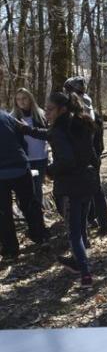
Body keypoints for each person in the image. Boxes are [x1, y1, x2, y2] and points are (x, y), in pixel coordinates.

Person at [20, 92, 99, 288]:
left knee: (73, 233)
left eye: (49, 109)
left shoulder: (62, 129)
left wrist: (49, 171)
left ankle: (86, 275)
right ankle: (77, 261)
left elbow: (66, 159)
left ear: (62, 109)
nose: (46, 113)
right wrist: (27, 130)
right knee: (80, 228)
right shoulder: (79, 122)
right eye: (45, 109)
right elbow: (92, 156)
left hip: (72, 186)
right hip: (87, 182)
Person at [63, 77, 107, 235]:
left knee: (93, 191)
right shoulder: (90, 109)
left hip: (86, 157)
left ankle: (101, 225)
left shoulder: (77, 111)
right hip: (93, 155)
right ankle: (97, 221)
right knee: (94, 190)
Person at [0, 108, 47, 263]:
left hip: (6, 170)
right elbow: (22, 140)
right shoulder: (7, 116)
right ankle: (40, 237)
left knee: (4, 212)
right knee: (29, 204)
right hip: (21, 165)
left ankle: (10, 249)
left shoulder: (7, 116)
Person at [12, 88, 49, 207]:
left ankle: (38, 215)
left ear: (30, 99)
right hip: (23, 159)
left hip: (40, 157)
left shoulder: (41, 114)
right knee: (22, 189)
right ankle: (24, 215)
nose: (21, 102)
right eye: (18, 99)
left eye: (24, 98)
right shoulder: (12, 117)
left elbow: (49, 134)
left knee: (37, 188)